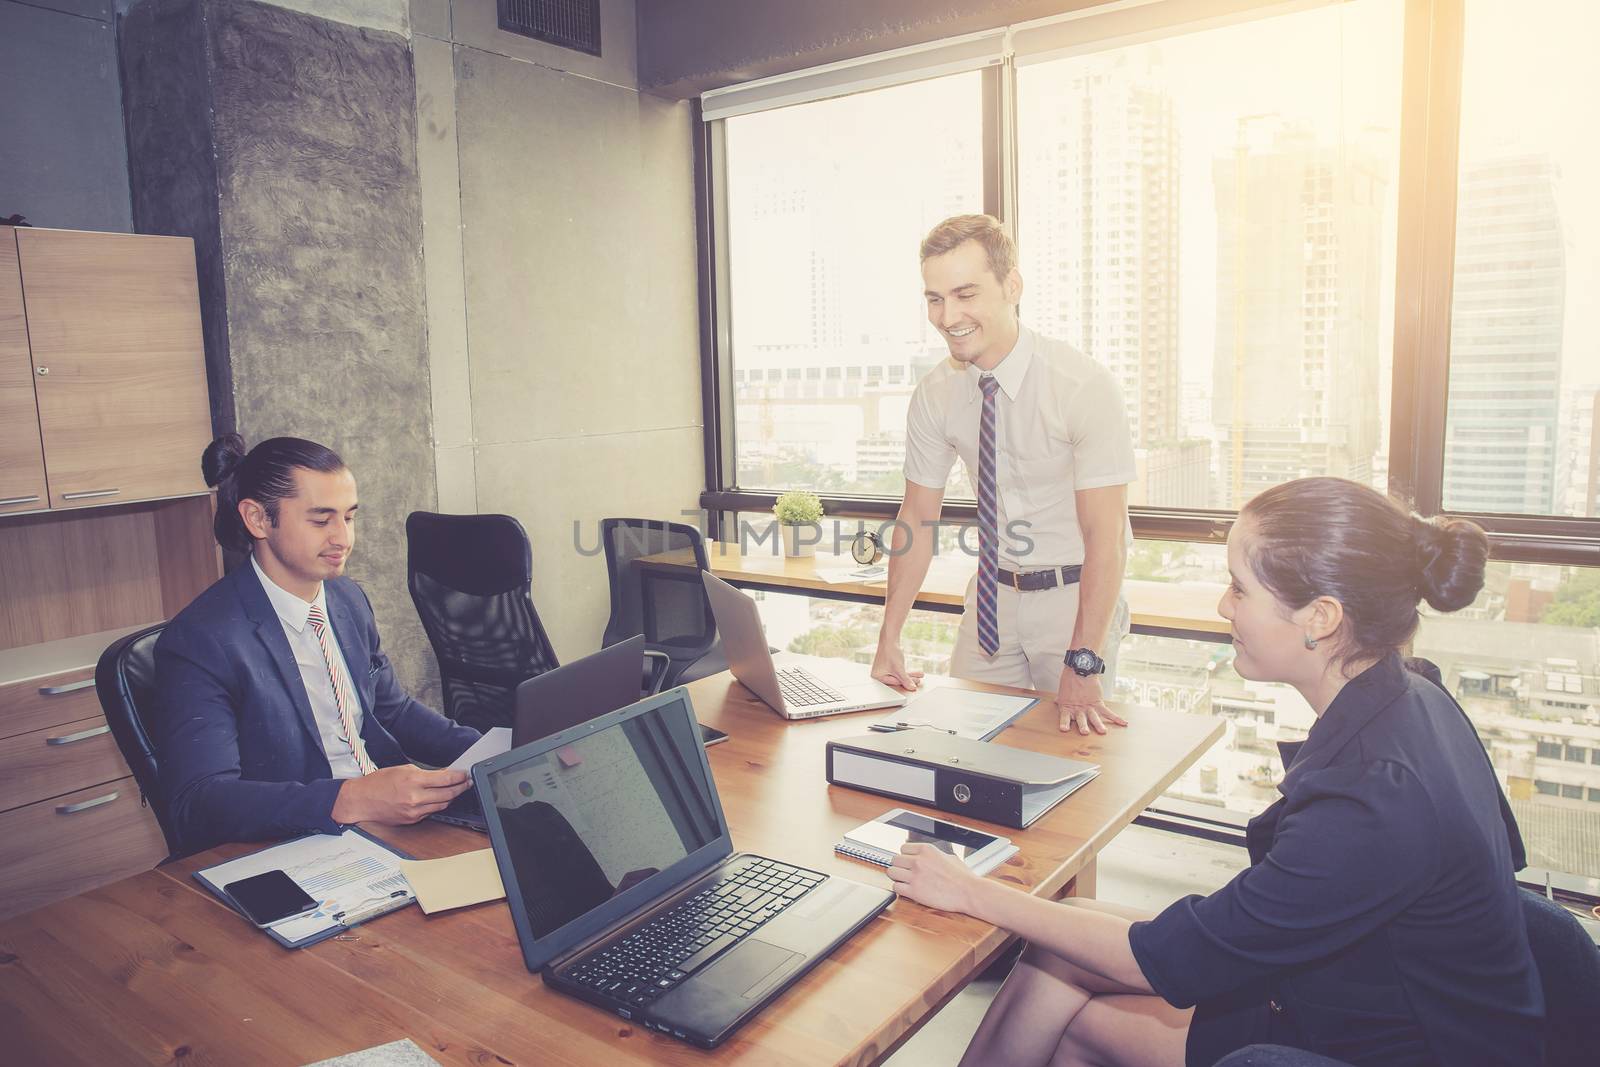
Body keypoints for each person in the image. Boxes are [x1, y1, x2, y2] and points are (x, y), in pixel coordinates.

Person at [887, 477, 1543, 1067]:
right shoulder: (1415, 694)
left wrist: (972, 891)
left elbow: (1174, 961)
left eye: (1239, 586)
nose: (1223, 606)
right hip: (1354, 980)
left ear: (1320, 618)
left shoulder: (1375, 795)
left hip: (1386, 1040)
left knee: (1078, 1022)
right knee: (1068, 934)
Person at [871, 214, 1138, 735]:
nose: (949, 316)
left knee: (1073, 766)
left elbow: (1106, 539)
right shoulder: (936, 393)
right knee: (960, 752)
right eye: (935, 298)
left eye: (965, 294)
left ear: (1011, 286)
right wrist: (889, 635)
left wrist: (1084, 660)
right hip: (990, 603)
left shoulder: (1080, 385)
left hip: (1073, 602)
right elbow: (918, 517)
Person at [154, 434, 480, 854]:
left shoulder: (346, 599)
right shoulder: (200, 641)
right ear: (257, 519)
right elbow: (199, 801)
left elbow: (392, 710)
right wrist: (351, 798)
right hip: (295, 839)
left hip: (387, 824)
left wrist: (499, 752)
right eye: (321, 520)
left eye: (349, 517)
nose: (343, 538)